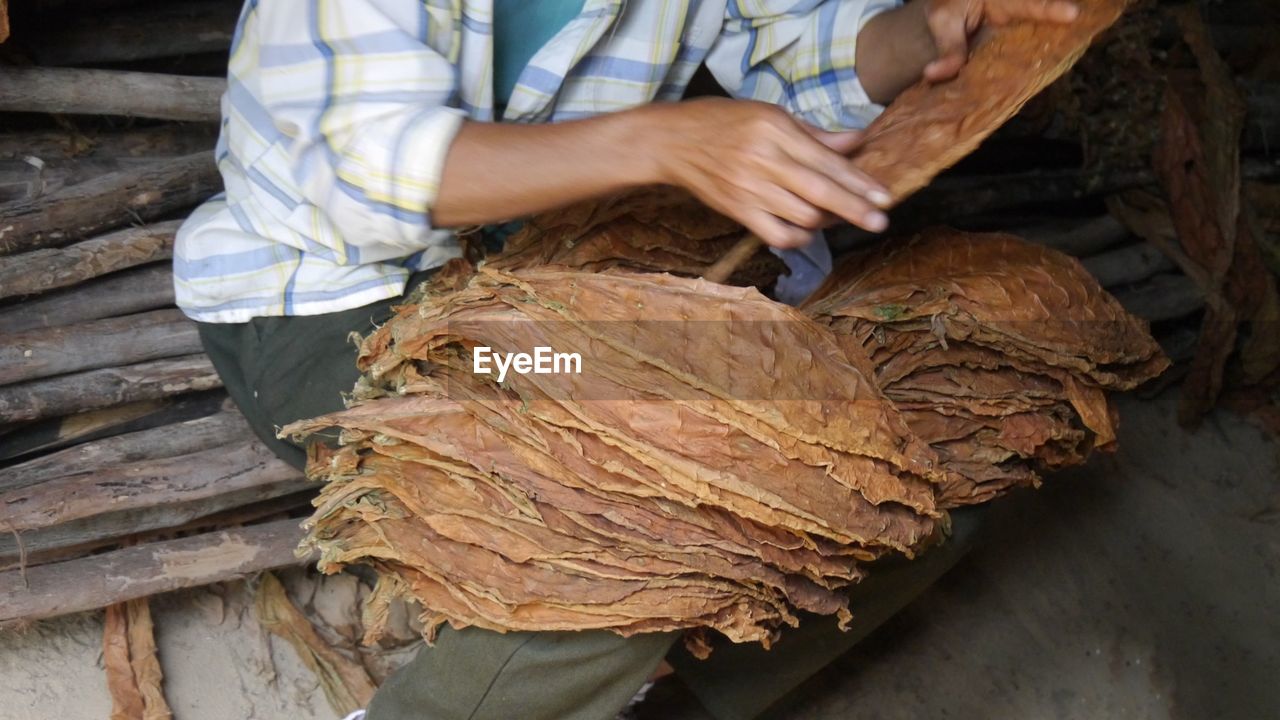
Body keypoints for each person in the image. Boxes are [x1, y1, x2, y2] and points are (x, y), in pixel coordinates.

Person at [175, 1, 1078, 718]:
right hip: (346, 308)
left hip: (543, 303)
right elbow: (359, 169)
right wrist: (663, 141)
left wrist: (926, 30)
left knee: (904, 489)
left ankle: (627, 680)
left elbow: (802, 50)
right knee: (634, 505)